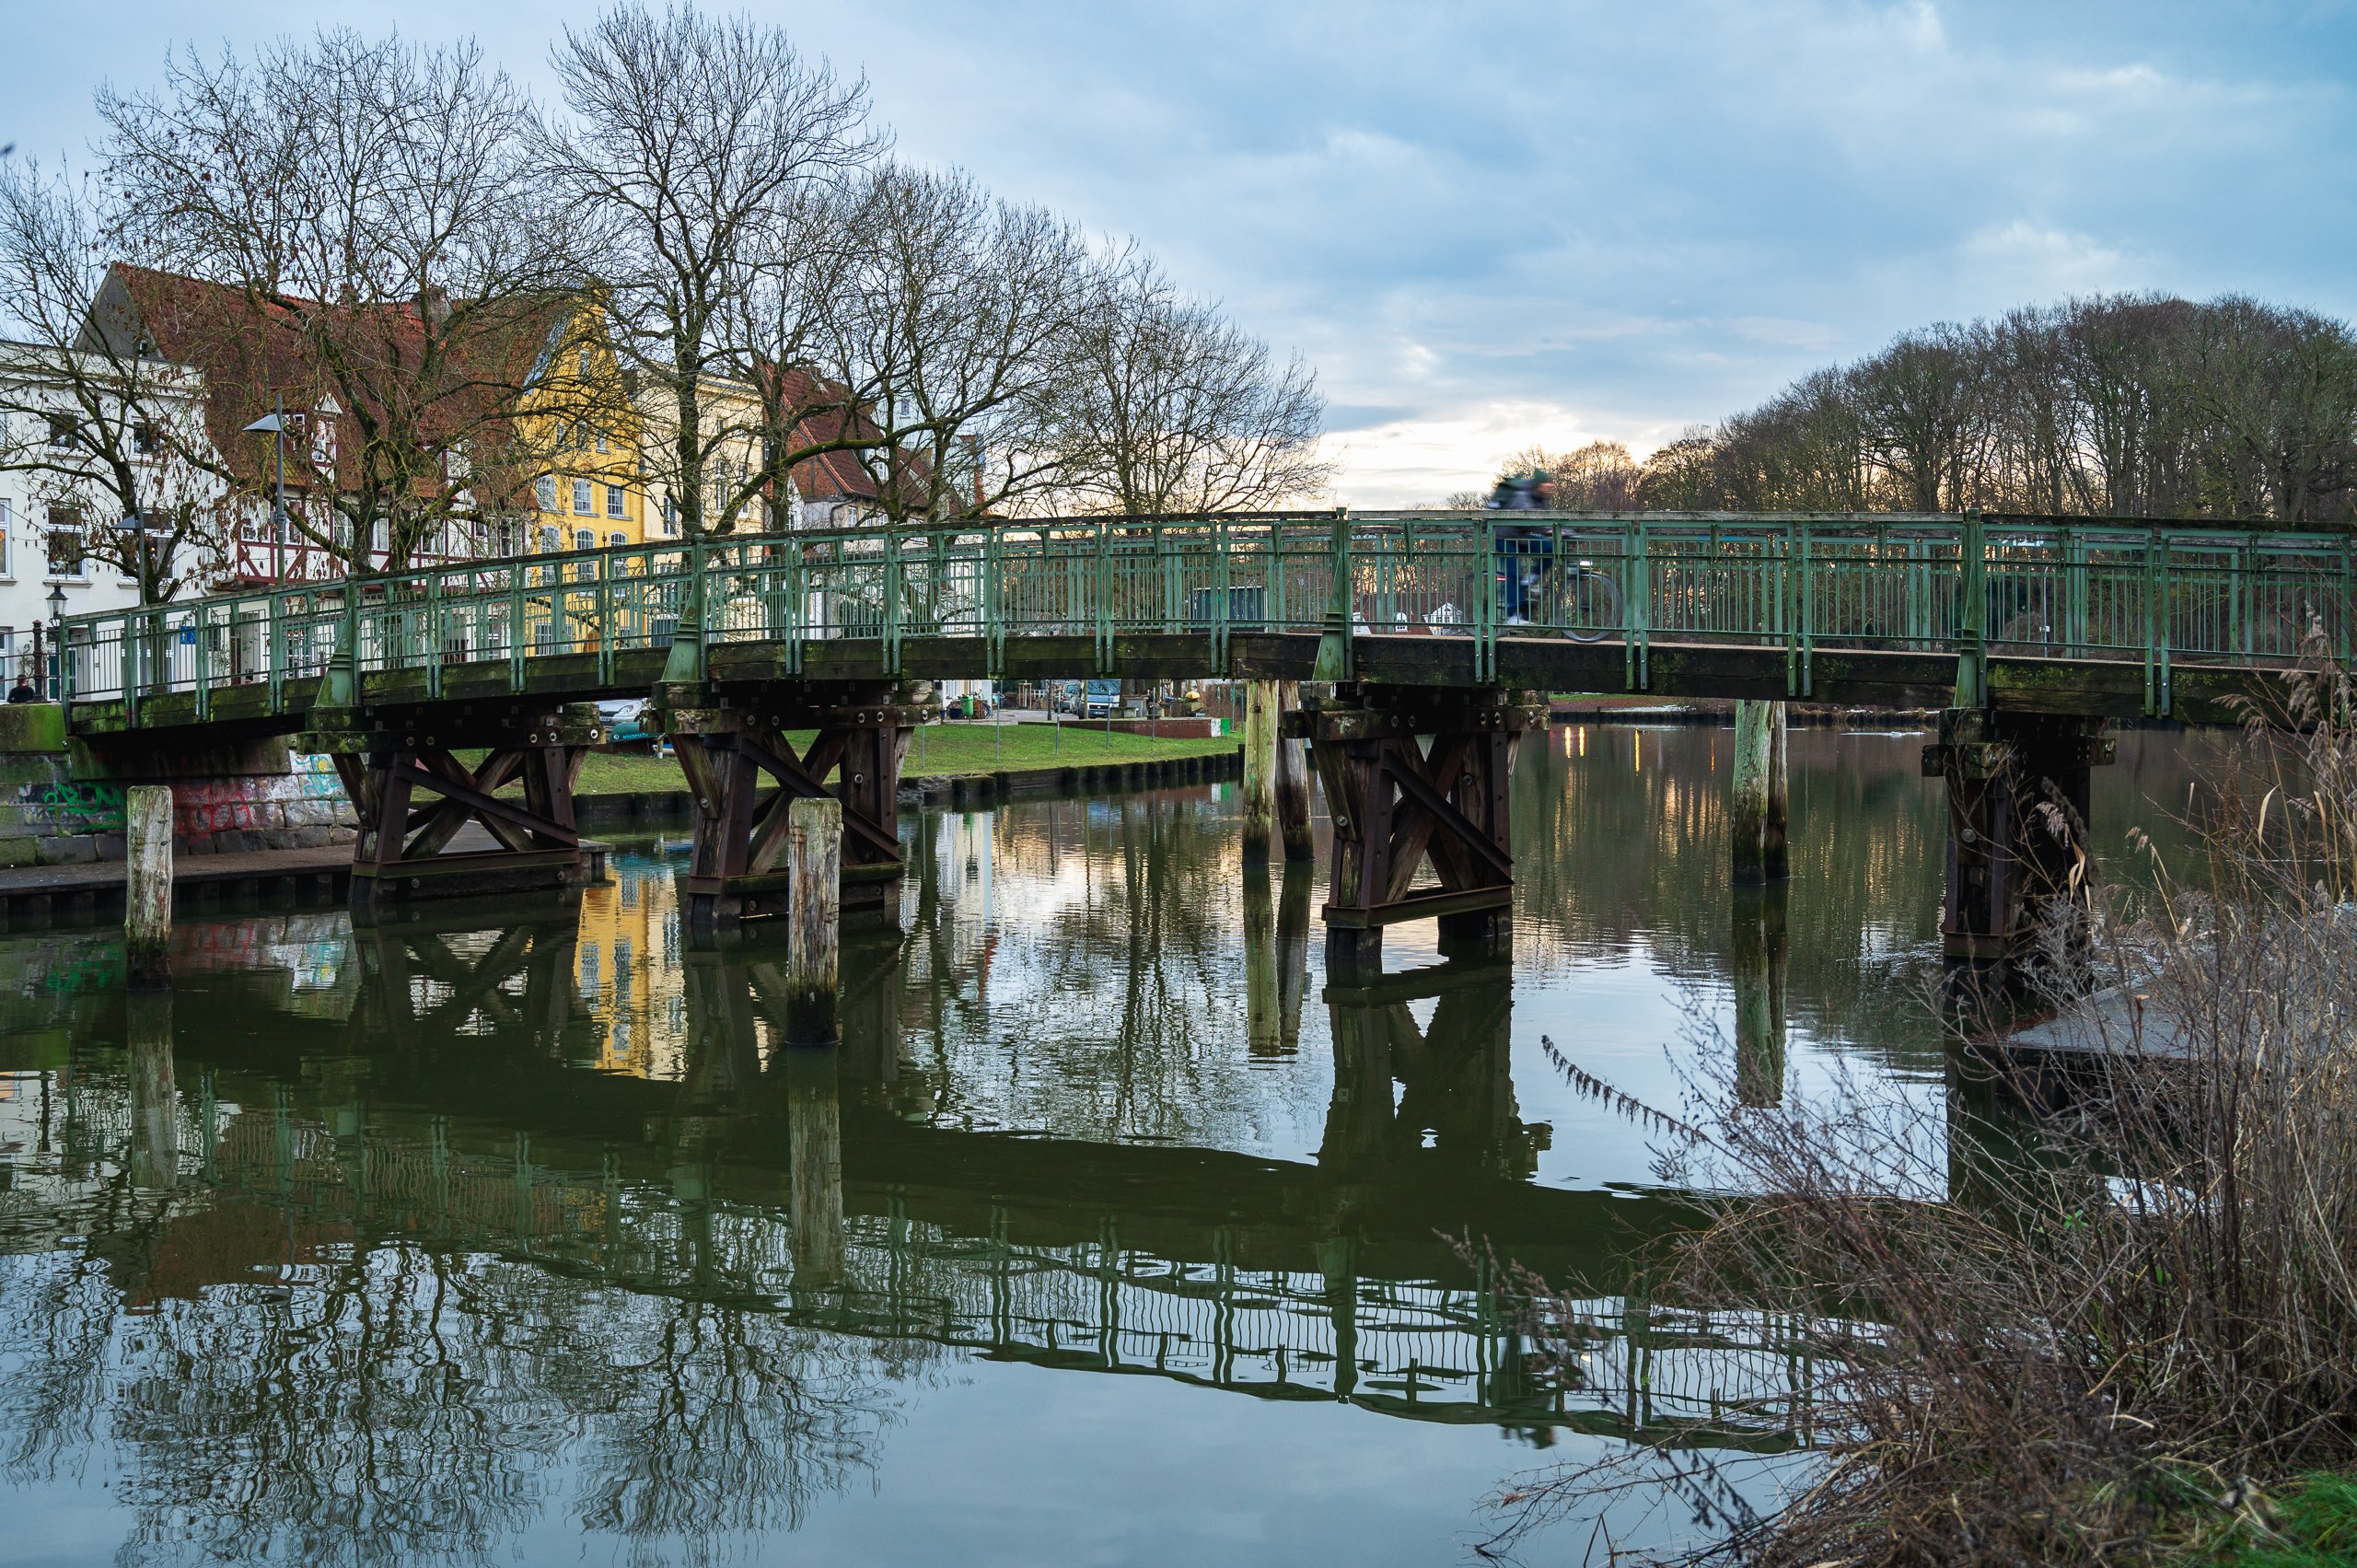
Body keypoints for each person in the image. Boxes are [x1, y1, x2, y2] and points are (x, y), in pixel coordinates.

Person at [1486, 469, 1556, 623]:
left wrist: (1566, 531)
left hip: (1520, 536)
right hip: (1503, 536)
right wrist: (1548, 530)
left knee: (1550, 548)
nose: (1550, 485)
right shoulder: (1522, 495)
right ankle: (1513, 615)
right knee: (1514, 573)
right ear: (1538, 484)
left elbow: (1552, 520)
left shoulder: (1541, 498)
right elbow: (1530, 519)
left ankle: (1530, 580)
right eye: (1546, 482)